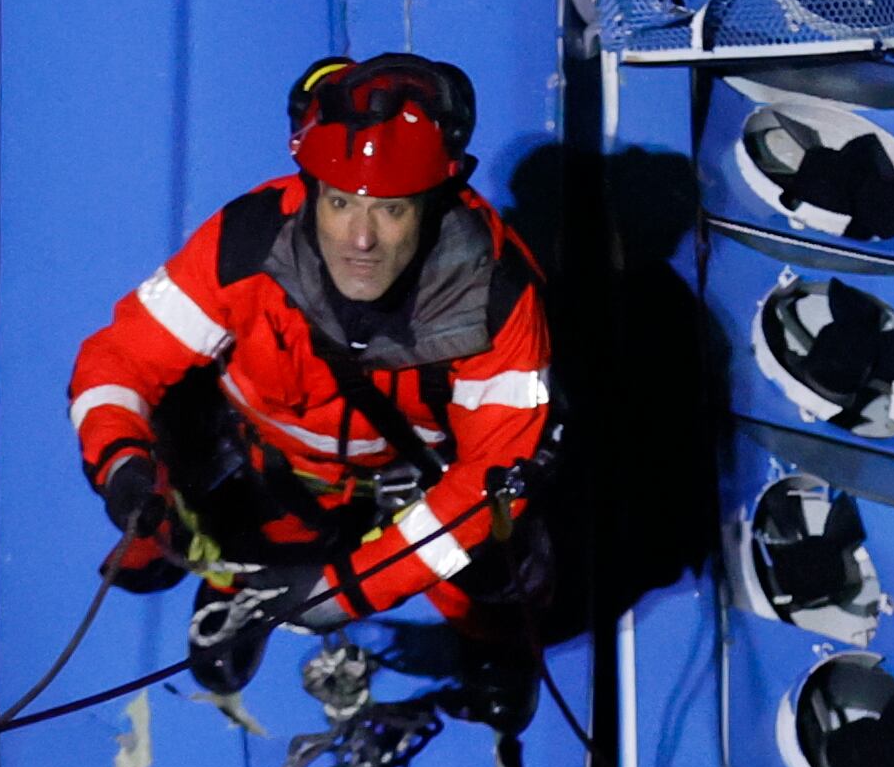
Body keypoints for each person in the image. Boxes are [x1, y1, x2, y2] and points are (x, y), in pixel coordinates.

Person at [67, 53, 553, 699]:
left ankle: (493, 640)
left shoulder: (495, 300)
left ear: (433, 202)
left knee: (499, 556)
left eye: (391, 209)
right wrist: (121, 462)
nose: (360, 238)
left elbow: (488, 480)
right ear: (312, 188)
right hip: (265, 465)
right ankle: (230, 587)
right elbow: (119, 359)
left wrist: (351, 588)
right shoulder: (245, 243)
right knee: (213, 508)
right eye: (340, 200)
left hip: (407, 488)